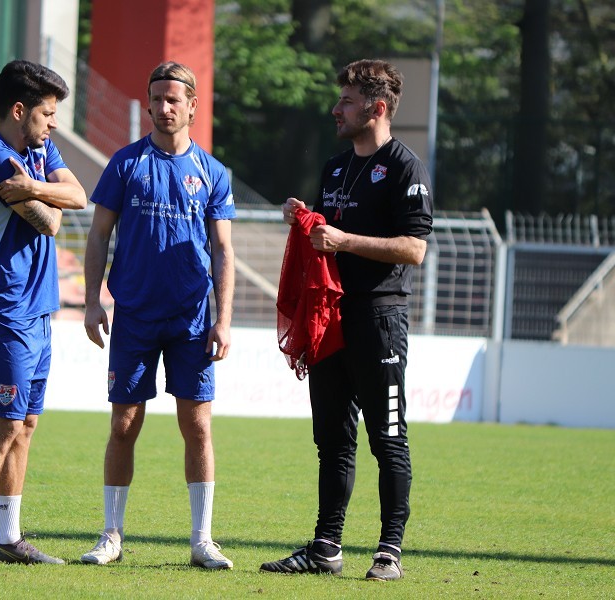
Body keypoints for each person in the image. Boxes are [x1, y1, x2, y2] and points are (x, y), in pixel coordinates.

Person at [259, 59, 433, 581]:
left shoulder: (405, 167)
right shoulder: (335, 167)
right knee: (332, 441)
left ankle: (389, 552)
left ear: (376, 109)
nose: (336, 109)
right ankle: (325, 548)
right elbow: (325, 237)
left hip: (379, 319)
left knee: (388, 439)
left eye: (347, 101)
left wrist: (344, 239)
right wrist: (303, 218)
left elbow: (414, 249)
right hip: (329, 319)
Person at [80, 62, 236, 570]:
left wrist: (223, 319)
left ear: (192, 106)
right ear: (148, 104)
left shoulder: (212, 172)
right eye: (157, 99)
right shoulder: (125, 164)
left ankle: (202, 540)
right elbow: (99, 235)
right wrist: (91, 301)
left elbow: (223, 250)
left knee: (198, 426)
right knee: (123, 425)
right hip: (135, 317)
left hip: (192, 320)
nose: (164, 107)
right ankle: (111, 535)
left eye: (174, 99)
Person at [0, 59, 86, 567]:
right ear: (17, 110)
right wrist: (43, 194)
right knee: (5, 425)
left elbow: (78, 196)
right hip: (5, 311)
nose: (53, 124)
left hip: (39, 310)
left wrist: (33, 187)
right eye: (47, 113)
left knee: (26, 423)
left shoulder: (38, 152)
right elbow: (51, 222)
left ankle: (8, 537)